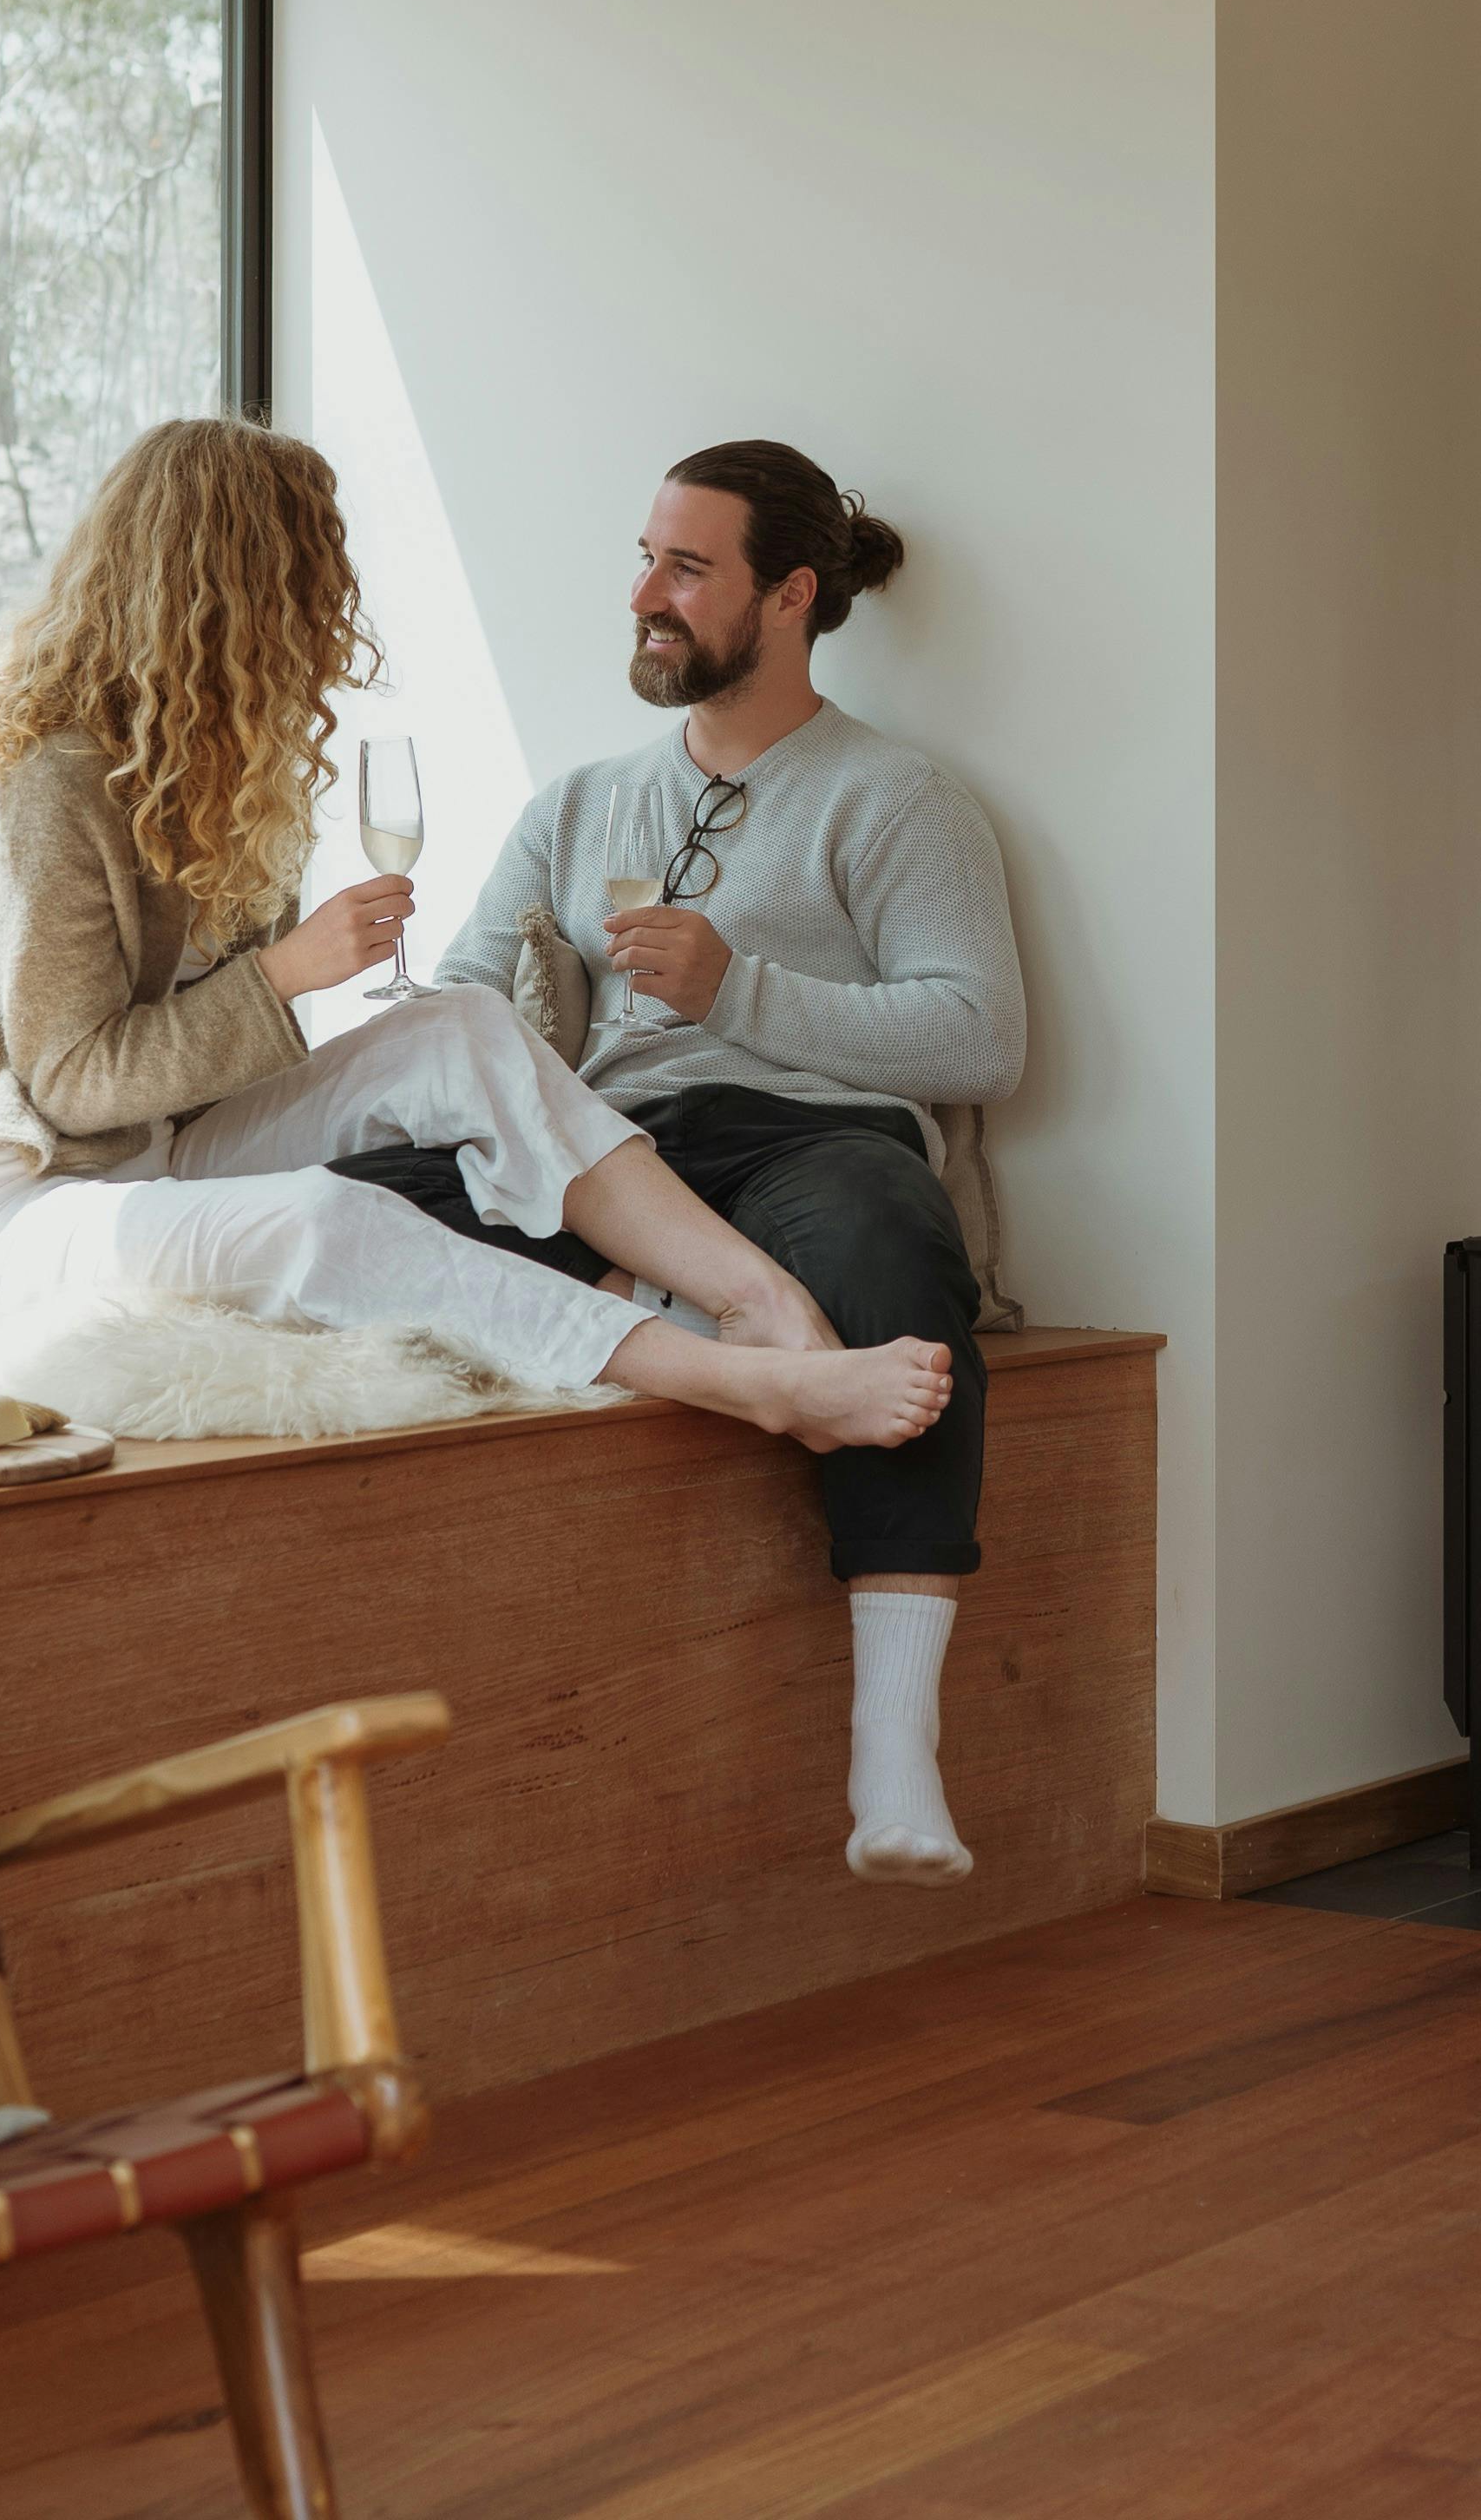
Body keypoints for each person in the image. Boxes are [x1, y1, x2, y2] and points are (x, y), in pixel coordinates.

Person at [0, 420, 950, 1496]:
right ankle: (729, 1375)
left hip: (151, 1155)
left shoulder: (220, 768)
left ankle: (756, 1297)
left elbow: (267, 1058)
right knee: (330, 1216)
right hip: (0, 1212)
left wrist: (363, 1045)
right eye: (308, 576)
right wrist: (285, 975)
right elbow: (68, 1085)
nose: (330, 608)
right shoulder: (47, 776)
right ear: (220, 590)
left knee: (457, 1028)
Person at [346, 439, 1019, 1887]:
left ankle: (895, 1749)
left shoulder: (896, 798)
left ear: (788, 595)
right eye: (646, 559)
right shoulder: (577, 804)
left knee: (891, 1247)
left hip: (809, 1133)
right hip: (615, 1153)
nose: (646, 593)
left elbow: (980, 1039)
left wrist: (742, 993)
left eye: (686, 567)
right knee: (351, 1193)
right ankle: (663, 1299)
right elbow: (465, 1008)